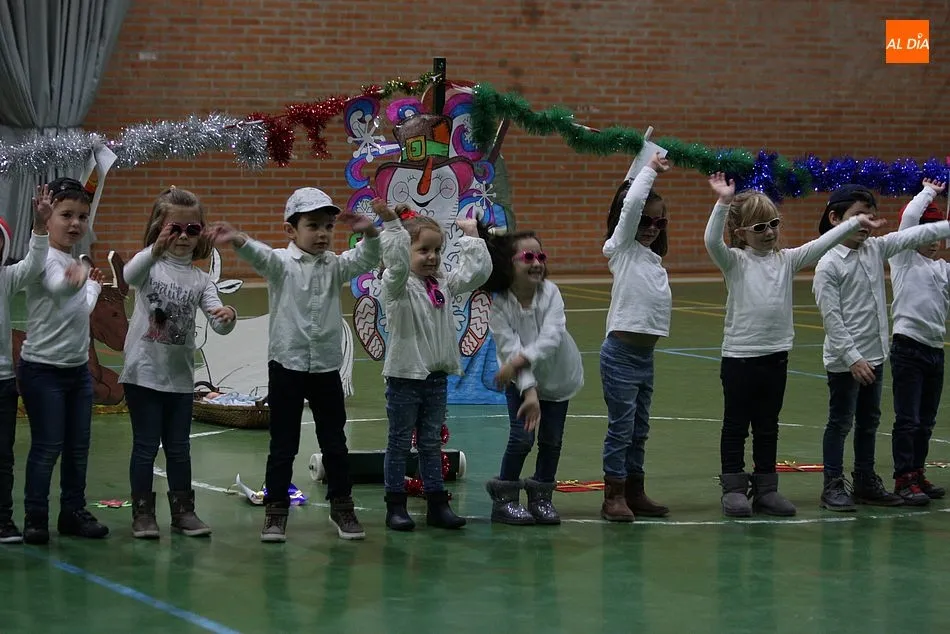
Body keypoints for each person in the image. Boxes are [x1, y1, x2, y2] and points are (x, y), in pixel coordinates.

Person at [705, 173, 883, 518]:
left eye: (774, 224)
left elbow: (822, 243)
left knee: (768, 426)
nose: (769, 232)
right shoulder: (734, 261)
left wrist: (854, 223)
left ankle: (766, 489)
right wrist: (723, 202)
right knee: (736, 425)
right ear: (740, 233)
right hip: (740, 359)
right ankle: (734, 488)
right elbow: (712, 241)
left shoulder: (786, 260)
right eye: (760, 227)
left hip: (776, 358)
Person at [213, 187, 384, 542]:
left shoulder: (335, 265)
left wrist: (369, 231)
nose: (322, 234)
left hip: (325, 368)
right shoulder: (281, 264)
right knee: (283, 444)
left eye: (328, 227)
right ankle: (276, 511)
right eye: (313, 226)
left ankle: (342, 507)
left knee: (334, 442)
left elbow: (367, 258)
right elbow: (260, 255)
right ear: (291, 230)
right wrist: (238, 239)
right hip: (286, 366)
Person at [812, 181, 950, 511]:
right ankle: (833, 484)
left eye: (872, 217)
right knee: (840, 423)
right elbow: (832, 319)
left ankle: (865, 480)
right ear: (835, 219)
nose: (867, 224)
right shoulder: (828, 264)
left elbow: (917, 234)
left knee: (869, 422)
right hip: (846, 362)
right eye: (859, 216)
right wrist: (853, 358)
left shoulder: (876, 249)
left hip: (875, 358)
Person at [121, 187, 237, 538]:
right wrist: (155, 248)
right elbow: (128, 275)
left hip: (180, 379)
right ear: (160, 228)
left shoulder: (202, 280)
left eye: (192, 229)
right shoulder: (149, 267)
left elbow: (218, 323)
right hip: (143, 374)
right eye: (175, 229)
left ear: (201, 233)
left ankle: (184, 512)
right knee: (145, 447)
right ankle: (143, 514)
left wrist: (227, 316)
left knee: (179, 449)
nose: (184, 237)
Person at [377, 200, 492, 531]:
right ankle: (395, 505)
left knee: (430, 443)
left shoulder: (441, 282)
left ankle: (437, 504)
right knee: (399, 443)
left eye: (437, 250)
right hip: (405, 377)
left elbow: (476, 273)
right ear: (404, 252)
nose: (432, 257)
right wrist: (393, 227)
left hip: (436, 377)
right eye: (423, 250)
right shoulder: (396, 285)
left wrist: (471, 236)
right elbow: (396, 263)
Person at [20, 177, 111, 544]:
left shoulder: (73, 262)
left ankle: (73, 512)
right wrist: (81, 275)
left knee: (78, 448)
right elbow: (60, 290)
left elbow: (80, 309)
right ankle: (35, 516)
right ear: (48, 217)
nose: (75, 223)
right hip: (43, 371)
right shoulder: (42, 257)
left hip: (76, 372)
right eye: (67, 215)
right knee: (46, 448)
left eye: (82, 217)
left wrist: (93, 287)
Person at [482, 229, 583, 525]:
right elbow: (511, 348)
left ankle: (541, 496)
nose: (537, 262)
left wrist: (517, 362)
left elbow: (551, 338)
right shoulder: (500, 306)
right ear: (508, 264)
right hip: (521, 381)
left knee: (552, 440)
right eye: (528, 257)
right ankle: (505, 498)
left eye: (540, 256)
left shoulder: (551, 293)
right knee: (521, 439)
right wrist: (529, 392)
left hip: (558, 379)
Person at [599, 152, 673, 522]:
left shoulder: (653, 261)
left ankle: (634, 490)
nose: (651, 227)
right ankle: (613, 495)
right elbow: (629, 208)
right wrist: (649, 171)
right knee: (622, 428)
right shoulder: (622, 249)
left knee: (639, 429)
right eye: (645, 221)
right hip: (620, 355)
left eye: (659, 222)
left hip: (645, 359)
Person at [887, 179, 950, 505]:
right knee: (908, 420)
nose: (934, 241)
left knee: (926, 422)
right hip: (908, 348)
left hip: (935, 351)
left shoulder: (942, 269)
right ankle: (903, 478)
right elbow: (910, 219)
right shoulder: (903, 259)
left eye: (938, 235)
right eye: (928, 234)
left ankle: (918, 471)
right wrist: (929, 192)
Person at [0, 186, 51, 543]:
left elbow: (34, 264)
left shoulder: (5, 279)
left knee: (3, 457)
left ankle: (3, 519)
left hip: (3, 382)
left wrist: (40, 226)